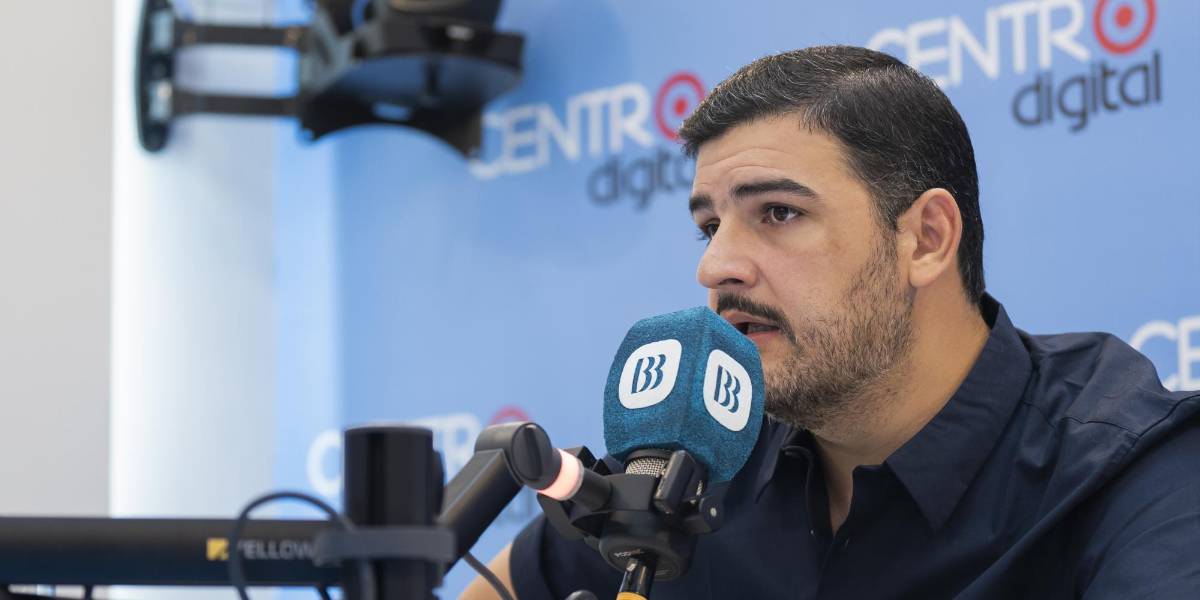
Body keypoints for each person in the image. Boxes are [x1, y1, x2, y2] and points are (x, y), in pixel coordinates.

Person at [461, 46, 1200, 599]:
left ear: (927, 238)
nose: (715, 267)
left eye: (778, 213)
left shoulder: (1131, 471)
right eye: (710, 226)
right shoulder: (699, 452)